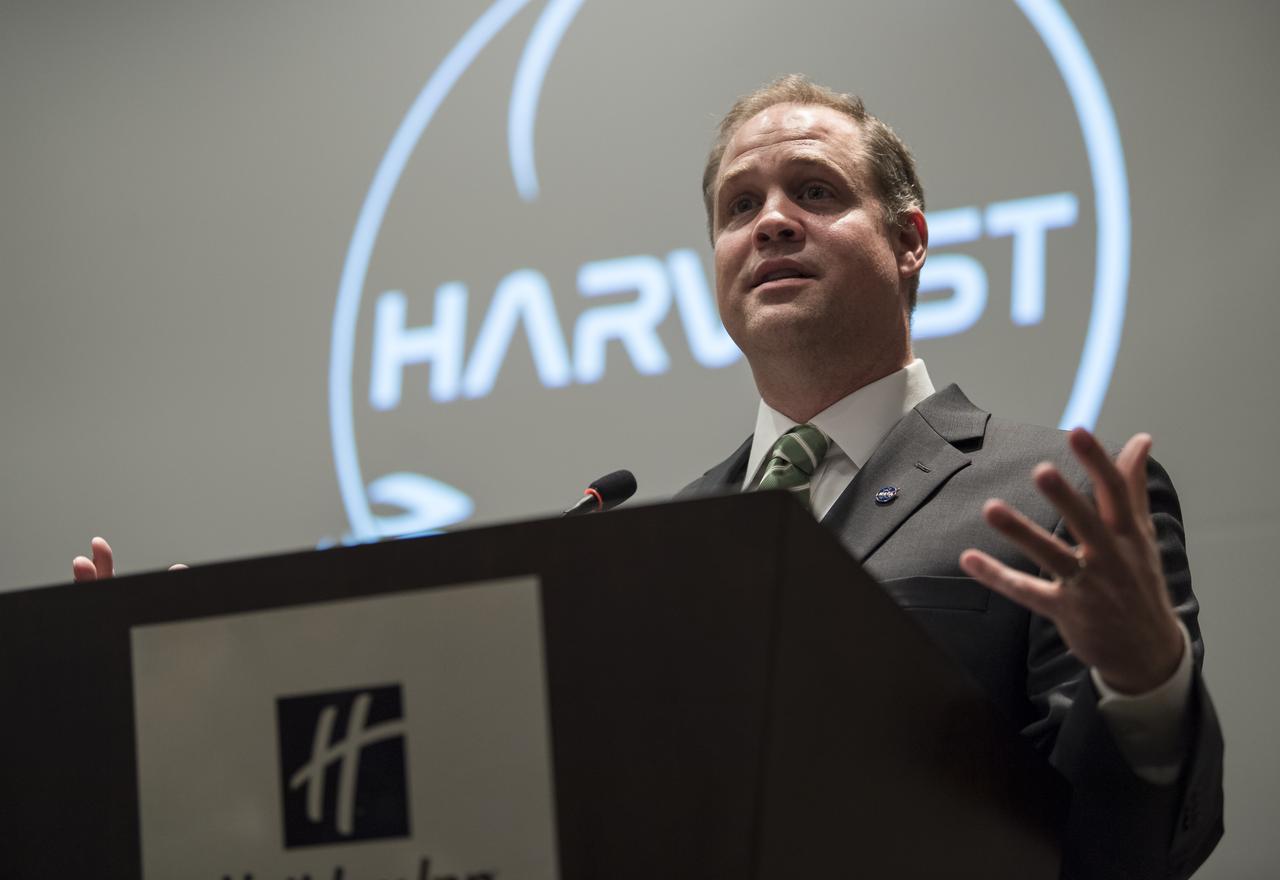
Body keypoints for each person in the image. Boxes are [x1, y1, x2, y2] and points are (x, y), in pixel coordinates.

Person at [676, 75, 1221, 878]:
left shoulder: (1059, 495)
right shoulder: (665, 540)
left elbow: (1132, 850)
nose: (772, 224)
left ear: (910, 242)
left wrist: (1144, 690)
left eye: (815, 191)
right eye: (739, 207)